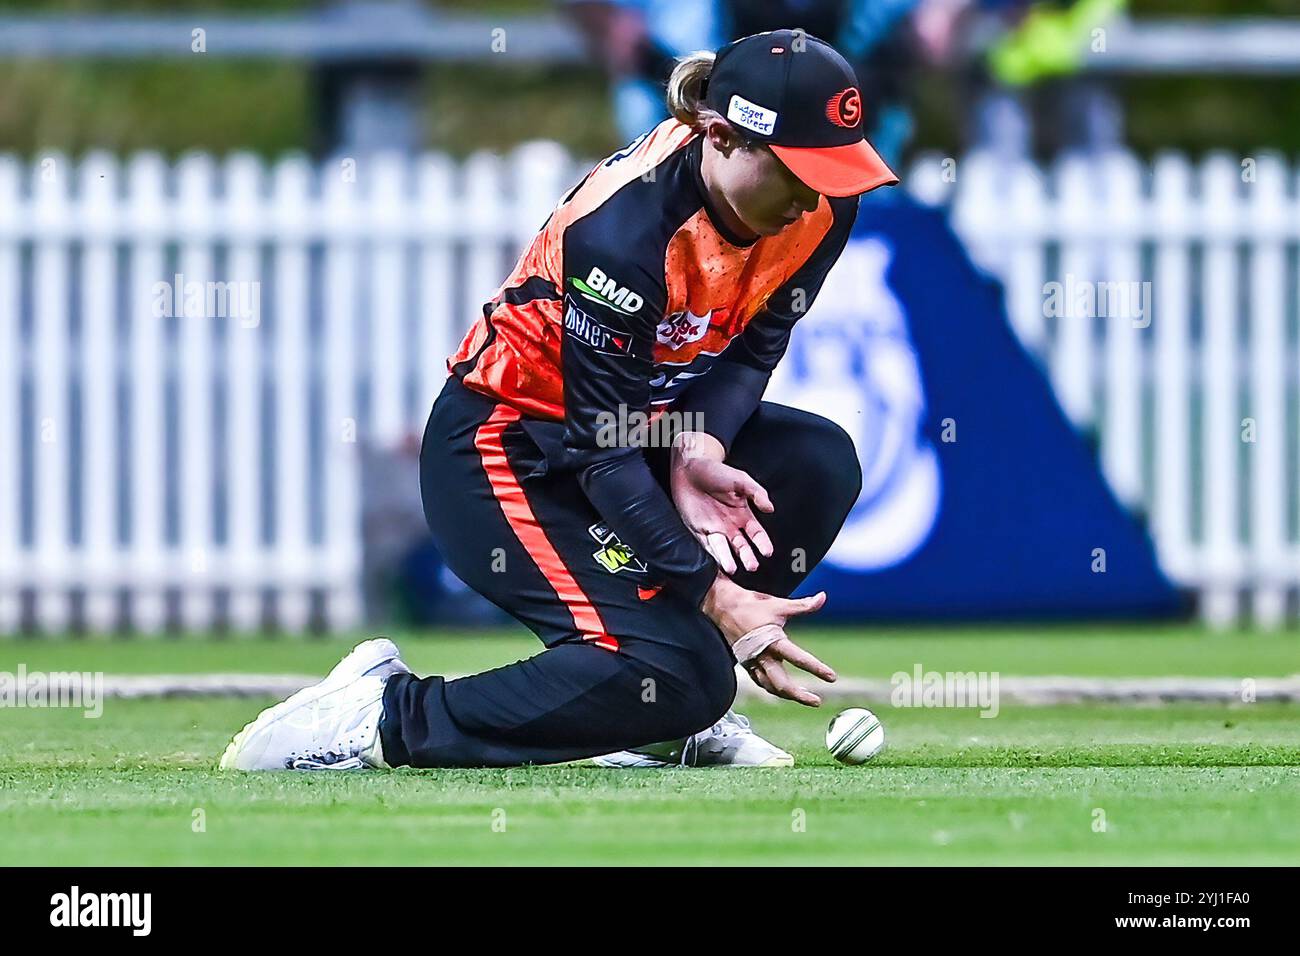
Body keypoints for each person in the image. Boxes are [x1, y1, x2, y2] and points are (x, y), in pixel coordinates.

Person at [220, 29, 897, 772]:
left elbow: (754, 344)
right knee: (684, 676)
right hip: (507, 452)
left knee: (816, 463)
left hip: (633, 433)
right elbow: (598, 452)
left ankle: (649, 718)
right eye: (796, 170)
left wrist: (702, 444)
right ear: (721, 135)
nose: (812, 197)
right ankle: (383, 714)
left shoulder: (822, 204)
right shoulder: (625, 233)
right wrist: (719, 599)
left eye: (831, 170)